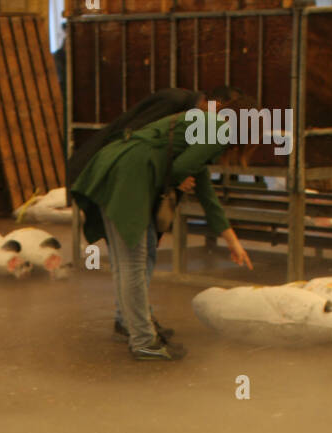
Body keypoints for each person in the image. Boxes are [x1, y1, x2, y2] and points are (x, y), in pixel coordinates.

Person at [71, 88, 255, 361]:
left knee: (129, 261)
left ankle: (133, 327)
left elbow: (203, 189)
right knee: (133, 262)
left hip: (116, 170)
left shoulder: (198, 122)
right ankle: (144, 341)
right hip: (128, 177)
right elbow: (182, 169)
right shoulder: (218, 127)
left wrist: (232, 241)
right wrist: (178, 177)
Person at [68, 87, 202, 342]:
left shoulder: (187, 118)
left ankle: (130, 320)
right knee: (132, 261)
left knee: (137, 257)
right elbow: (142, 150)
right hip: (119, 182)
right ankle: (140, 334)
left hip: (128, 185)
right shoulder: (174, 107)